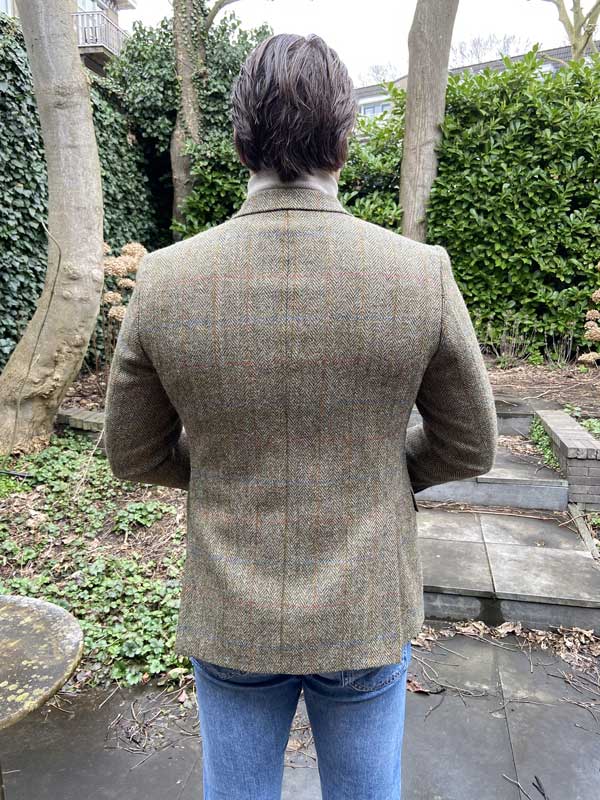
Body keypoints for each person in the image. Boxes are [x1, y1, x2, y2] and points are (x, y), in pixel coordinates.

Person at [103, 31, 498, 800]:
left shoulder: (167, 280)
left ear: (240, 141)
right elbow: (470, 444)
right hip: (365, 608)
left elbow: (132, 453)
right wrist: (383, 470)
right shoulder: (417, 274)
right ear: (345, 140)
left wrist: (222, 467)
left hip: (231, 611)